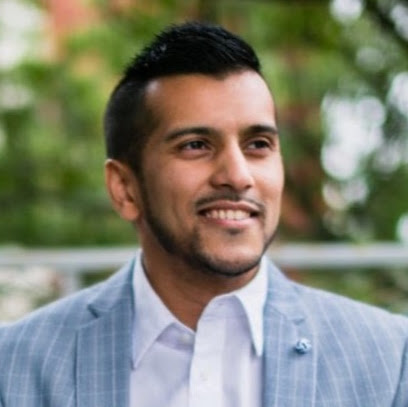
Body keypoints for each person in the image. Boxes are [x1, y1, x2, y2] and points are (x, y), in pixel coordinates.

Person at [0, 21, 407, 407]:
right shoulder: (15, 369)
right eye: (195, 145)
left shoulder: (388, 360)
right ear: (125, 188)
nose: (238, 176)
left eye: (258, 144)